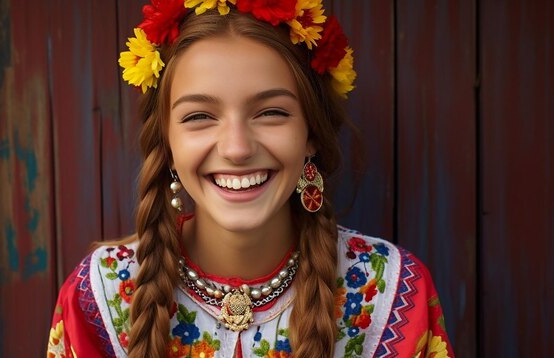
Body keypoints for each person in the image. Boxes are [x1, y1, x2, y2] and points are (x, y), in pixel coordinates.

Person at [47, 1, 454, 357]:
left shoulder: (387, 291)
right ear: (167, 141)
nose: (237, 148)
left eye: (271, 112)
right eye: (199, 117)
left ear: (311, 133)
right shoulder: (100, 296)